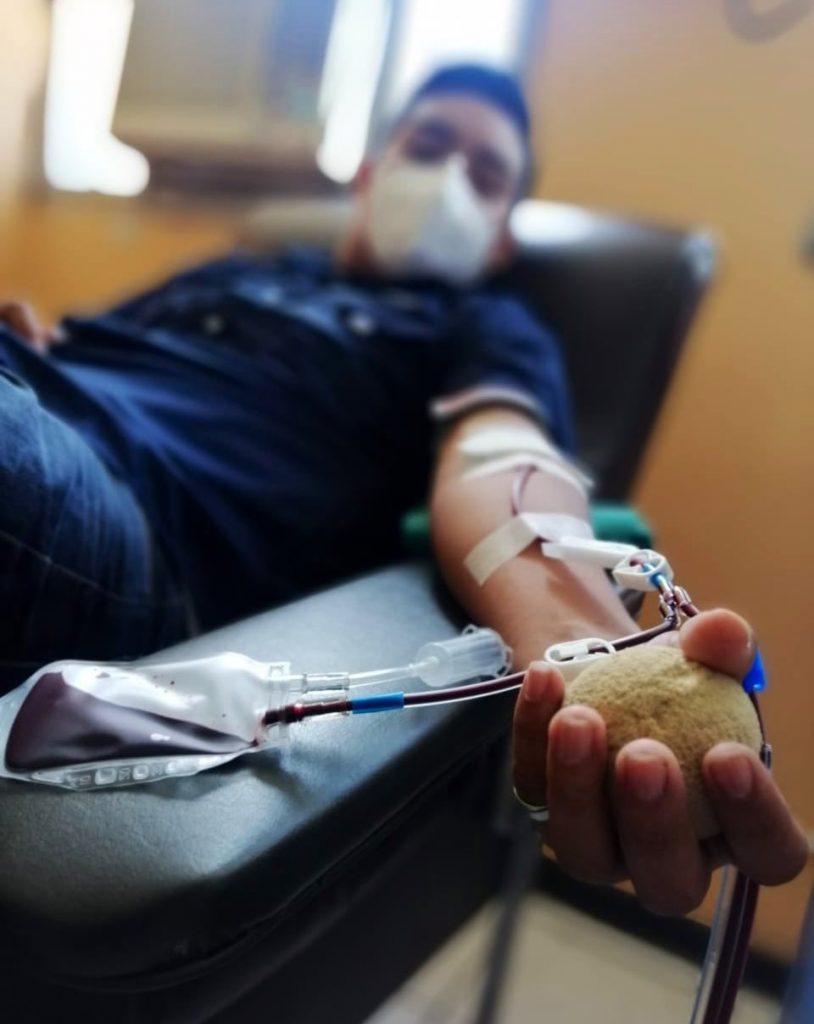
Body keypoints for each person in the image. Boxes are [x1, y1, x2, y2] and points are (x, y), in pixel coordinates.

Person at [0, 64, 805, 913]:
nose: (448, 176)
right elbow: (75, 344)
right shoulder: (233, 272)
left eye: (485, 174)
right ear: (370, 174)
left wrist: (587, 650)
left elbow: (500, 461)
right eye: (428, 147)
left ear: (500, 239)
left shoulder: (477, 326)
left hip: (133, 518)